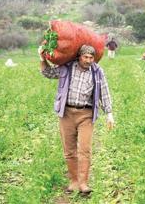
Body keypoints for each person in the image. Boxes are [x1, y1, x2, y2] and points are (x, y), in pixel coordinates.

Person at [38, 45, 114, 196]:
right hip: (66, 113)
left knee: (84, 149)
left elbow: (104, 91)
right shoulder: (67, 67)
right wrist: (42, 58)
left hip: (86, 114)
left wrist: (109, 113)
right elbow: (48, 73)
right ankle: (73, 181)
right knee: (69, 150)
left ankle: (83, 183)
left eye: (91, 58)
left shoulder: (97, 71)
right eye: (85, 57)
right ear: (79, 56)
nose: (88, 60)